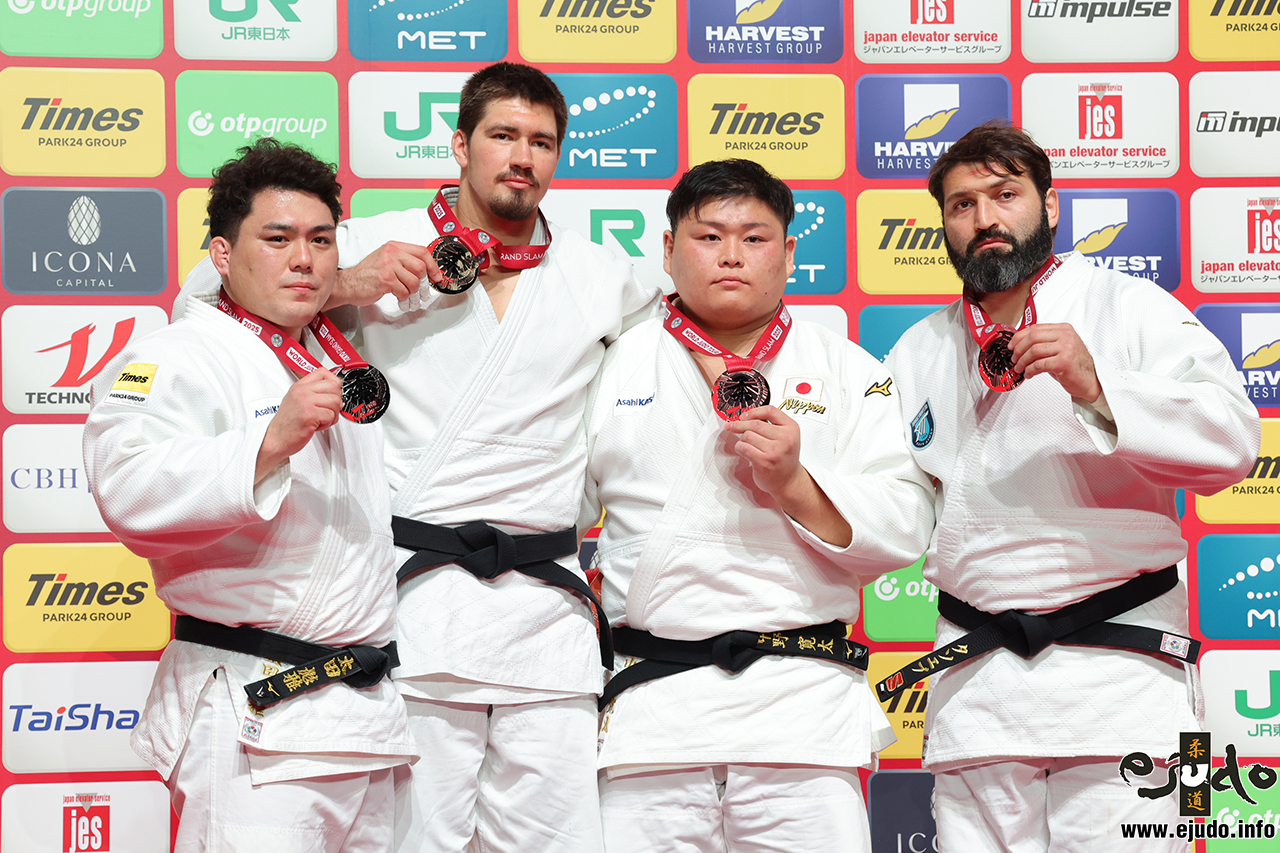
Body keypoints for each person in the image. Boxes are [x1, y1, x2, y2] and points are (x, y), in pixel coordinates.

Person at [179, 62, 661, 853]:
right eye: (503, 135)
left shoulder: (603, 275)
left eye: (542, 142)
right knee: (415, 841)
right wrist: (343, 283)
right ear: (460, 144)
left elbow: (674, 367)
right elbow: (201, 302)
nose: (522, 157)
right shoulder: (366, 243)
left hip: (547, 622)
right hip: (415, 609)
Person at [883, 121, 1262, 852]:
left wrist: (1099, 386)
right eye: (962, 205)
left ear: (1050, 207)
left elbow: (1234, 442)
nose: (985, 218)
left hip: (1130, 681)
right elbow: (896, 505)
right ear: (944, 227)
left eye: (1004, 194)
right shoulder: (918, 349)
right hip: (980, 690)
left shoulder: (1130, 307)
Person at [579, 159, 935, 853]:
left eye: (756, 237)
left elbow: (907, 526)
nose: (733, 255)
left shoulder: (850, 370)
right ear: (668, 250)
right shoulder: (613, 366)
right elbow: (550, 512)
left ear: (791, 252)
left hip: (800, 711)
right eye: (709, 236)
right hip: (655, 712)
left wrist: (796, 483)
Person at [83, 137, 417, 851]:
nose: (304, 258)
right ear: (224, 256)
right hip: (253, 708)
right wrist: (267, 442)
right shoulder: (176, 353)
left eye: (322, 240)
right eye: (278, 238)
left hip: (364, 717)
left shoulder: (332, 349)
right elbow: (125, 482)